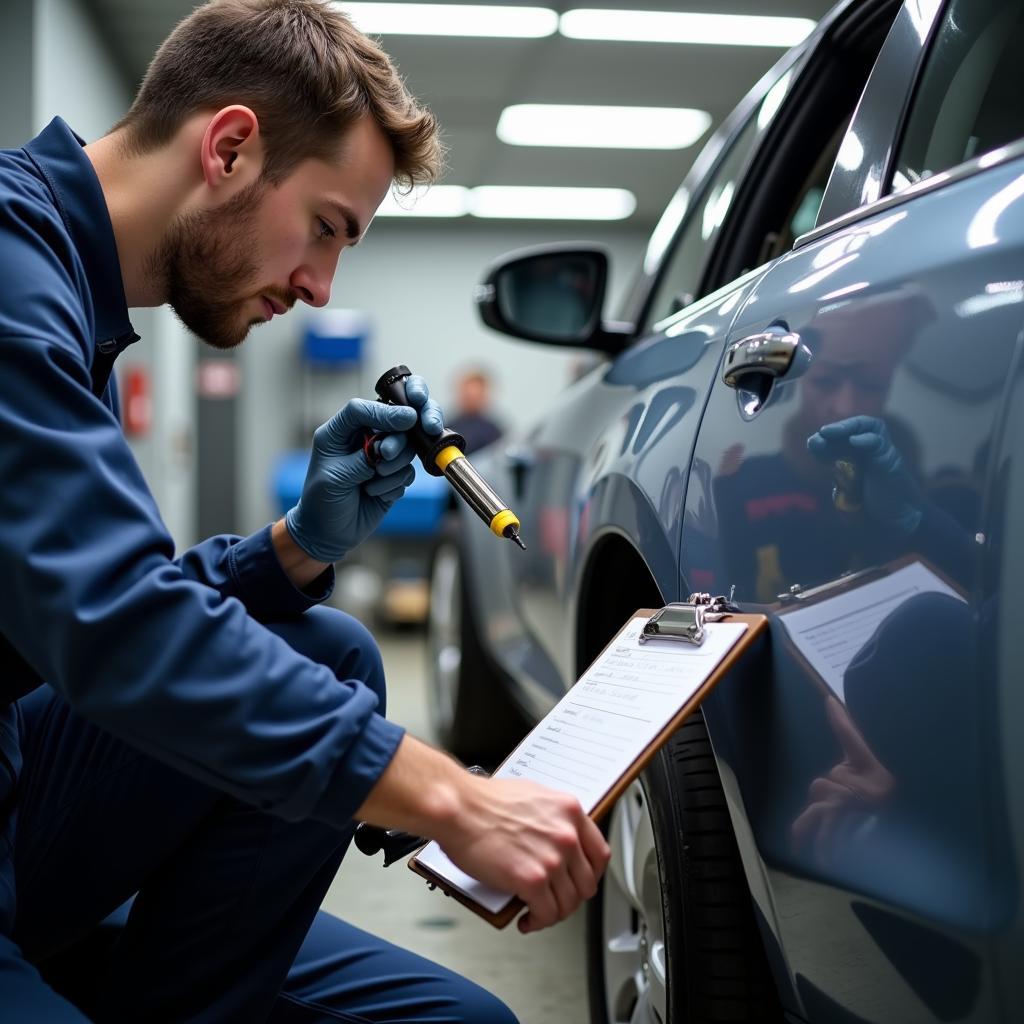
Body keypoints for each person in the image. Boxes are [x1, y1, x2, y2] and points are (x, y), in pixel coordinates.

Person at [0, 2, 610, 1021]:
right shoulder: (14, 279)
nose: (323, 289)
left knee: (326, 650)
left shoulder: (68, 287)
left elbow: (84, 602)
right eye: (325, 229)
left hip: (21, 793)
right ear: (230, 147)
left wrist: (290, 551)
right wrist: (452, 797)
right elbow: (114, 623)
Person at [445, 368, 503, 454]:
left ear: (484, 396)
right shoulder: (447, 428)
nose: (471, 400)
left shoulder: (494, 432)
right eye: (468, 395)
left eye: (476, 396)